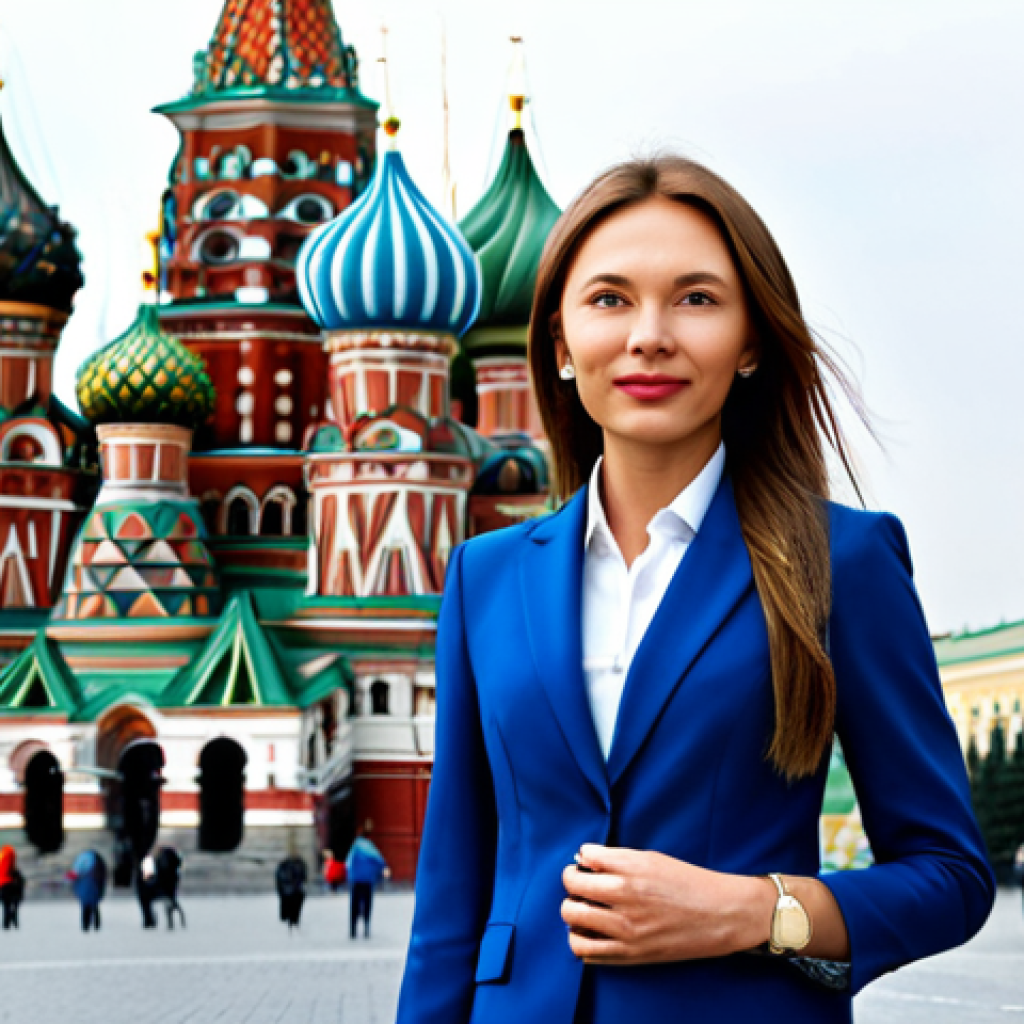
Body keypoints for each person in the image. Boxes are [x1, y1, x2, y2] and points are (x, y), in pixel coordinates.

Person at [396, 154, 996, 1023]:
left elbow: (951, 875)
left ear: (751, 341)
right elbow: (452, 899)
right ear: (560, 344)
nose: (649, 334)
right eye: (609, 299)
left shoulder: (844, 563)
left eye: (697, 298)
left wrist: (752, 912)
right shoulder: (483, 579)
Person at [346, 822, 388, 939]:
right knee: (367, 903)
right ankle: (366, 927)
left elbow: (348, 863)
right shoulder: (370, 846)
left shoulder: (355, 846)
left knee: (354, 904)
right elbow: (379, 860)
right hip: (368, 880)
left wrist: (349, 876)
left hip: (356, 880)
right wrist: (383, 869)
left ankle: (353, 929)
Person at [69, 849, 107, 932]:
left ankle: (86, 926)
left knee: (86, 908)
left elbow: (75, 873)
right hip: (93, 891)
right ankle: (96, 926)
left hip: (86, 891)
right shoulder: (97, 864)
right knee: (94, 907)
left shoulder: (83, 862)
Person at [155, 846, 185, 930]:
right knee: (172, 900)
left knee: (168, 902)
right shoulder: (173, 857)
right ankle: (179, 920)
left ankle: (171, 922)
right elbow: (179, 864)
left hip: (165, 883)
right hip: (172, 882)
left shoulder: (161, 858)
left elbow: (158, 871)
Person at [275, 854, 307, 931]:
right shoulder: (287, 867)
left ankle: (291, 920)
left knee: (292, 907)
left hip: (291, 891)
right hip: (291, 890)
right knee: (292, 907)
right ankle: (291, 920)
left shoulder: (297, 865)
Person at [0, 845, 24, 930]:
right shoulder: (9, 856)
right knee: (12, 906)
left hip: (3, 885)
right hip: (10, 885)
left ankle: (6, 925)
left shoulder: (2, 857)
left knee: (6, 906)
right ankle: (13, 923)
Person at [136, 854, 159, 929]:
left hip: (145, 889)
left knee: (147, 906)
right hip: (144, 889)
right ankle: (148, 921)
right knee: (146, 906)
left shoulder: (146, 863)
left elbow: (147, 878)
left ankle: (149, 921)